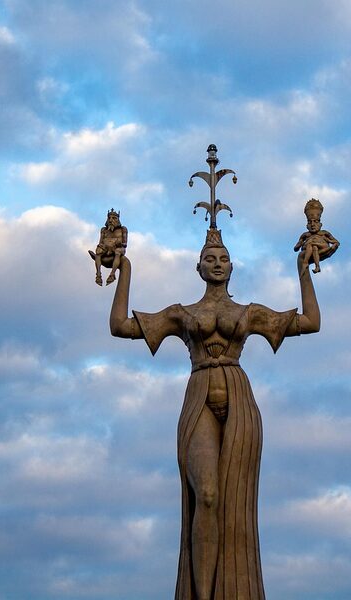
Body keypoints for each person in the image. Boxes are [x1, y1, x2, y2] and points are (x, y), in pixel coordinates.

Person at [108, 227, 321, 600]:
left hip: (239, 401)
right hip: (199, 395)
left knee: (232, 501)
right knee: (205, 495)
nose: (217, 264)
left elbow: (310, 322)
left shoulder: (248, 312)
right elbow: (120, 327)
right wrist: (123, 268)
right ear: (198, 268)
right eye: (210, 259)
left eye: (223, 259)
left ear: (232, 267)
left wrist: (303, 268)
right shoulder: (182, 313)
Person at [293, 198, 339, 273]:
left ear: (320, 224)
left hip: (322, 246)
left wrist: (330, 242)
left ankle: (305, 262)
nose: (312, 224)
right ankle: (316, 266)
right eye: (310, 222)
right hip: (311, 249)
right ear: (307, 225)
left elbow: (336, 242)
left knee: (312, 244)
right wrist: (299, 245)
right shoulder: (305, 235)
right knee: (312, 246)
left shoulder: (324, 233)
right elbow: (296, 247)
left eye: (315, 221)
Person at [90, 209, 127, 285]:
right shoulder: (104, 230)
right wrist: (101, 246)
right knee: (98, 251)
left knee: (118, 252)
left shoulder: (123, 229)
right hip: (106, 248)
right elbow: (100, 242)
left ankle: (112, 274)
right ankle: (98, 274)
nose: (111, 220)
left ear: (117, 219)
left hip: (118, 248)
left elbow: (125, 243)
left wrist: (118, 244)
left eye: (114, 218)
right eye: (109, 218)